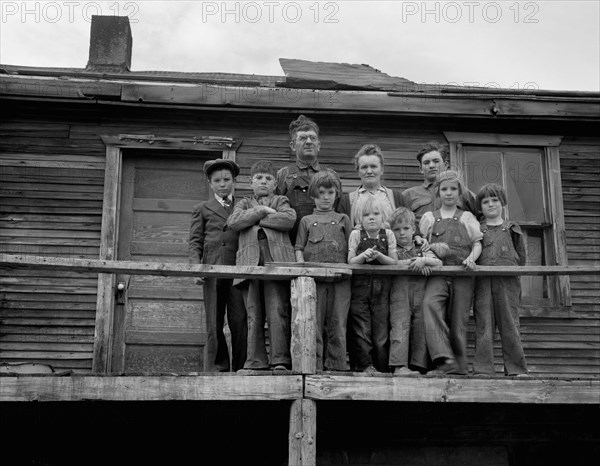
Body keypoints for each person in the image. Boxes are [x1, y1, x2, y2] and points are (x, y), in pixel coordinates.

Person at [227, 160, 296, 373]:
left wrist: (259, 219)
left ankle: (280, 361)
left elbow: (288, 219)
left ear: (275, 183)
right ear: (251, 182)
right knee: (253, 314)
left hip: (277, 265)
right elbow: (234, 222)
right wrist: (261, 211)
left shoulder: (281, 200)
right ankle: (256, 362)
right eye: (259, 178)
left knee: (277, 310)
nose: (263, 182)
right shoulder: (243, 203)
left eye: (268, 178)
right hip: (250, 266)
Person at [420, 170, 482, 376]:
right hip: (438, 273)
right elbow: (422, 244)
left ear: (460, 192)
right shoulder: (429, 217)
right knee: (429, 304)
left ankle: (460, 366)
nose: (448, 193)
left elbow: (477, 243)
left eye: (453, 189)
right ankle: (444, 360)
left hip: (463, 273)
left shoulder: (467, 217)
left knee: (459, 319)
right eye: (444, 189)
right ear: (437, 192)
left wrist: (471, 258)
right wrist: (428, 253)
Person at [188, 159, 247, 372]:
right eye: (217, 181)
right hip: (212, 270)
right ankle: (218, 367)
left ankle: (242, 367)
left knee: (240, 320)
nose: (222, 184)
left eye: (227, 180)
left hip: (238, 271)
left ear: (234, 181)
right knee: (213, 320)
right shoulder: (202, 209)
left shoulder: (244, 206)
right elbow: (195, 241)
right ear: (210, 184)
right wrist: (196, 266)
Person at [295, 169, 353, 371]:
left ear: (337, 194)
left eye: (330, 192)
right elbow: (299, 249)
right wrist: (303, 272)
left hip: (341, 280)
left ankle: (337, 365)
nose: (326, 198)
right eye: (321, 193)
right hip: (314, 281)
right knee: (315, 322)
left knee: (338, 322)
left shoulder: (343, 219)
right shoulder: (306, 221)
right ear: (313, 195)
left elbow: (352, 248)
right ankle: (315, 364)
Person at [473, 183, 529, 377]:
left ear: (503, 202)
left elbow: (521, 258)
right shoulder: (477, 229)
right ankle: (483, 369)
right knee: (484, 325)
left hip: (508, 284)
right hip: (483, 284)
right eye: (485, 201)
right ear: (480, 206)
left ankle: (516, 369)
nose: (490, 204)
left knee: (510, 324)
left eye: (495, 200)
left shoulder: (512, 229)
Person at [388, 207, 442, 375]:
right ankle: (399, 366)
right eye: (397, 229)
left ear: (413, 229)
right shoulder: (392, 249)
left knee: (420, 326)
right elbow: (389, 263)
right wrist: (414, 264)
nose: (402, 233)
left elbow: (438, 263)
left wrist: (423, 260)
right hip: (400, 293)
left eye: (406, 229)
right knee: (400, 326)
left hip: (421, 292)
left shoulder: (421, 247)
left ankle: (419, 365)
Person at [347, 197, 397, 373]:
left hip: (382, 290)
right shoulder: (356, 235)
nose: (371, 218)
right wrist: (363, 257)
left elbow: (394, 261)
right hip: (359, 291)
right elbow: (351, 260)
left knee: (381, 332)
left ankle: (382, 367)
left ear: (383, 217)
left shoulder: (388, 235)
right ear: (360, 218)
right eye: (366, 215)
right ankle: (365, 366)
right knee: (362, 330)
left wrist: (378, 257)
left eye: (376, 214)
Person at [276, 114, 342, 243]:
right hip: (292, 244)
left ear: (318, 145)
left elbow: (340, 212)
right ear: (293, 145)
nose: (308, 142)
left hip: (327, 243)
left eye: (313, 138)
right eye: (303, 138)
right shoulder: (283, 175)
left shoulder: (332, 175)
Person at [401, 141, 477, 225]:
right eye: (426, 163)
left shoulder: (461, 191)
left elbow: (484, 214)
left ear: (446, 165)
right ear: (421, 169)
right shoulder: (408, 195)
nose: (431, 166)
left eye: (436, 161)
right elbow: (398, 222)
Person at [338, 144, 404, 228]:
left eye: (373, 166)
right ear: (358, 172)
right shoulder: (346, 201)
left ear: (382, 169)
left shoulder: (397, 198)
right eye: (364, 167)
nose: (369, 171)